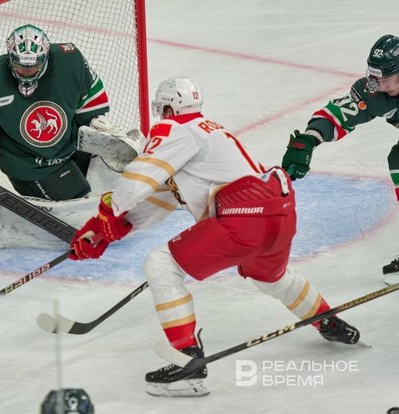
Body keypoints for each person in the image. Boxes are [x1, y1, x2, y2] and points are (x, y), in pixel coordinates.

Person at [68, 78, 361, 397]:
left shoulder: (176, 129)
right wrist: (111, 230)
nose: (159, 116)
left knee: (161, 265)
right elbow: (162, 198)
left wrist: (106, 214)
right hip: (279, 213)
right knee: (273, 280)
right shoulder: (207, 135)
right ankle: (327, 321)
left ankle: (187, 362)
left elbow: (138, 178)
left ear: (169, 109)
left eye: (161, 109)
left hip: (244, 216)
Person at [0, 24, 136, 201]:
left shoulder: (70, 62)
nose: (27, 73)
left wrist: (94, 122)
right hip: (29, 165)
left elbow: (90, 95)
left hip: (71, 146)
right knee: (77, 204)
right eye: (21, 67)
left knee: (110, 187)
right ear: (10, 58)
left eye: (33, 67)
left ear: (45, 58)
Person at [281, 34, 399, 282]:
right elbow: (337, 115)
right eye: (372, 76)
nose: (374, 83)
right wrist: (310, 139)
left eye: (382, 78)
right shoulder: (374, 92)